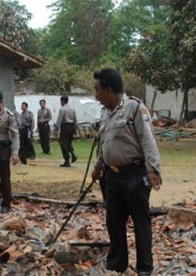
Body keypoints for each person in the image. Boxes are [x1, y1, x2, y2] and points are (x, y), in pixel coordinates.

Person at [91, 69, 162, 276]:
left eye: (97, 90)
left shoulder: (134, 108)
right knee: (113, 221)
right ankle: (117, 264)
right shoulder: (105, 112)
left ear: (109, 89)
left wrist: (153, 170)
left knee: (140, 222)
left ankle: (144, 268)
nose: (95, 95)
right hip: (111, 176)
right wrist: (97, 167)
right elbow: (106, 145)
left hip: (134, 174)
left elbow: (148, 141)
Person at [55, 95, 77, 167]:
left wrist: (57, 129)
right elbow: (75, 119)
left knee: (63, 143)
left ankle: (67, 160)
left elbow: (59, 120)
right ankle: (73, 153)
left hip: (65, 126)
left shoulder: (62, 109)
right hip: (72, 126)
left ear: (62, 101)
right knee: (68, 142)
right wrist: (75, 129)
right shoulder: (72, 109)